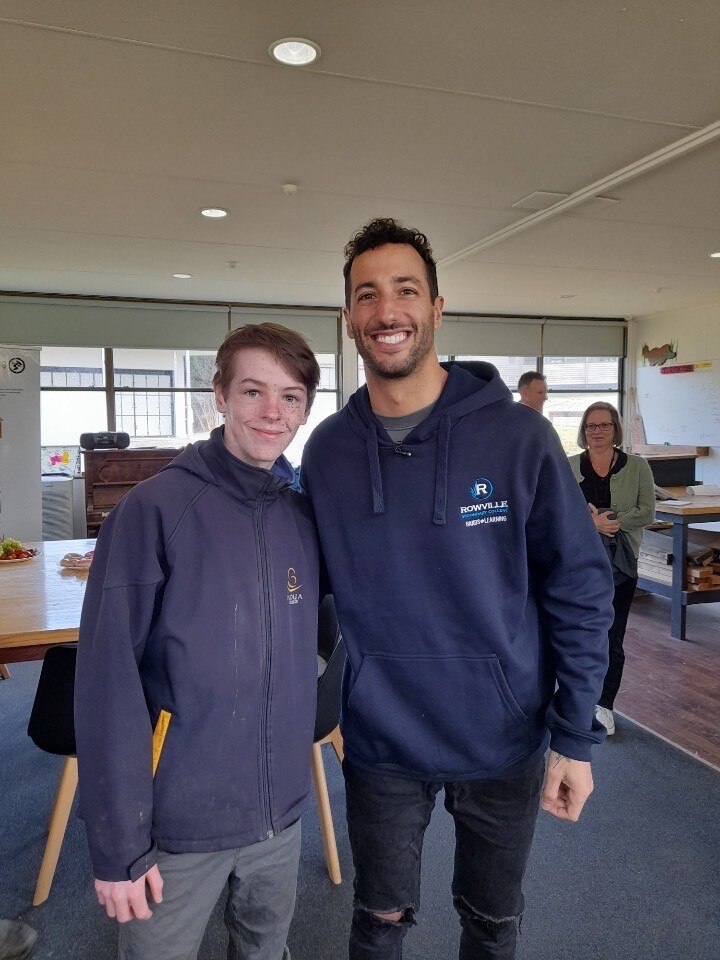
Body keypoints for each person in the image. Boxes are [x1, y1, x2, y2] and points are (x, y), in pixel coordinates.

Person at [301, 217, 614, 960]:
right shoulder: (329, 451)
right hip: (381, 740)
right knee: (377, 924)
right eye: (367, 295)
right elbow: (294, 581)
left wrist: (575, 736)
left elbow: (579, 586)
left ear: (437, 308)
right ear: (350, 320)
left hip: (504, 737)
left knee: (492, 925)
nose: (387, 311)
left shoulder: (518, 438)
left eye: (406, 290)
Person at [75, 323, 321, 960]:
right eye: (253, 391)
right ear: (219, 394)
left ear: (305, 409)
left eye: (290, 397)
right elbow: (107, 686)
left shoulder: (302, 515)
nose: (272, 413)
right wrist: (118, 847)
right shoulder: (153, 511)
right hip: (176, 826)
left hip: (280, 818)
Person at [569, 401, 655, 736]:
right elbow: (556, 510)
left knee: (612, 636)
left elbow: (647, 511)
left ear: (615, 429)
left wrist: (611, 522)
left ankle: (604, 704)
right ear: (584, 431)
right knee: (577, 632)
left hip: (620, 563)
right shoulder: (569, 465)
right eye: (591, 426)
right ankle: (575, 699)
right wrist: (591, 525)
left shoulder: (637, 467)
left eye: (604, 425)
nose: (597, 432)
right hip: (578, 565)